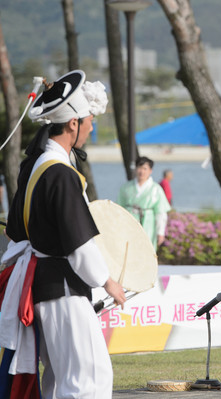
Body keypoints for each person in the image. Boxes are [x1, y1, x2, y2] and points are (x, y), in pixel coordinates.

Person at [0, 70, 126, 398]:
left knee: (59, 379)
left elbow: (15, 232)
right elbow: (78, 245)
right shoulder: (60, 174)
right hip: (64, 288)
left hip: (42, 285)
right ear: (72, 124)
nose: (90, 127)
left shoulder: (34, 167)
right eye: (88, 121)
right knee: (88, 379)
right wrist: (108, 281)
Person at [118, 156, 171, 249]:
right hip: (129, 223)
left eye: (145, 169)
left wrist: (160, 233)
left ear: (150, 171)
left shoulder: (156, 189)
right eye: (139, 168)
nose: (141, 171)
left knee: (147, 251)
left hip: (148, 224)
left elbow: (161, 213)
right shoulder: (126, 188)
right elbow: (118, 209)